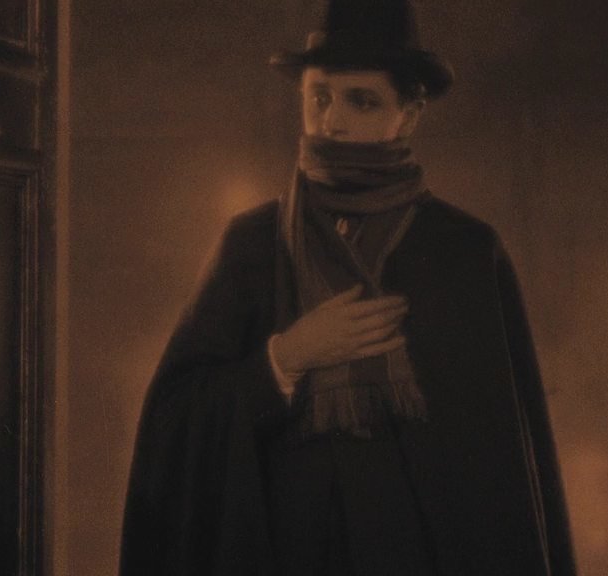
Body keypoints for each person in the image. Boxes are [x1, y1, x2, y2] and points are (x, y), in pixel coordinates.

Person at [119, 1, 576, 575]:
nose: (332, 121)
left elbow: (500, 472)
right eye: (319, 97)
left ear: (408, 115)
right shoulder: (251, 243)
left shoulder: (465, 253)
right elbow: (174, 424)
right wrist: (287, 357)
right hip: (281, 555)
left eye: (362, 101)